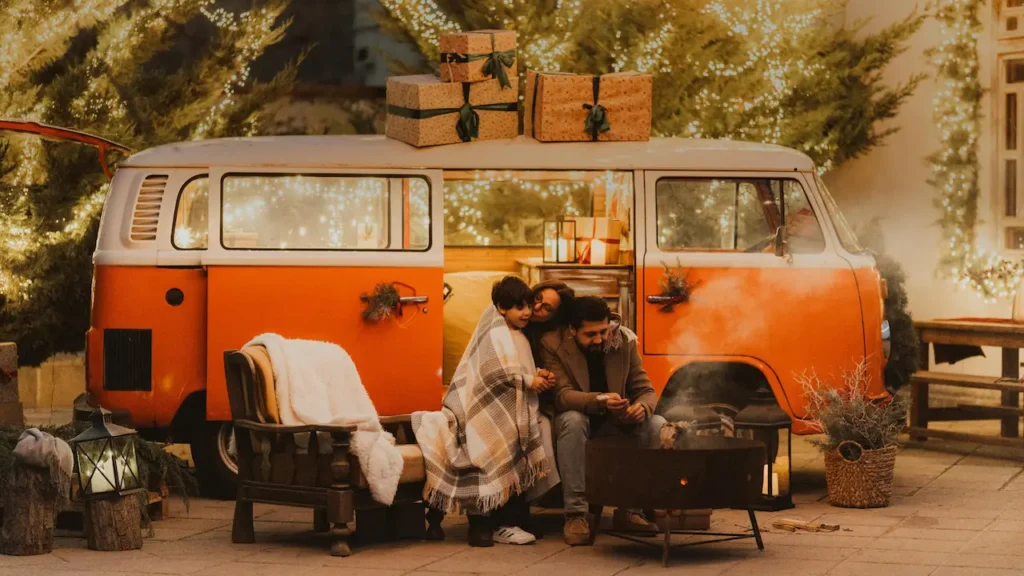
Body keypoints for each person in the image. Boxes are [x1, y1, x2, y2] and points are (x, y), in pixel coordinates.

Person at [413, 276, 556, 547]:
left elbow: (517, 370)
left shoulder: (517, 334)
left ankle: (510, 518)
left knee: (527, 435)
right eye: (518, 307)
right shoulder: (494, 332)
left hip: (512, 406)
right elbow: (492, 371)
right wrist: (528, 381)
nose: (525, 312)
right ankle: (483, 522)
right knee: (494, 443)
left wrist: (537, 377)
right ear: (501, 308)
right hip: (484, 409)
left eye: (528, 306)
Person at [539, 296, 666, 546]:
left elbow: (646, 389)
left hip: (616, 420)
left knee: (657, 423)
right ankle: (576, 515)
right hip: (577, 419)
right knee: (572, 421)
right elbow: (562, 396)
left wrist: (642, 407)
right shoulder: (552, 343)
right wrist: (600, 400)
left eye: (604, 331)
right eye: (591, 334)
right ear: (573, 330)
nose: (599, 339)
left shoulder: (624, 340)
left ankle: (631, 510)